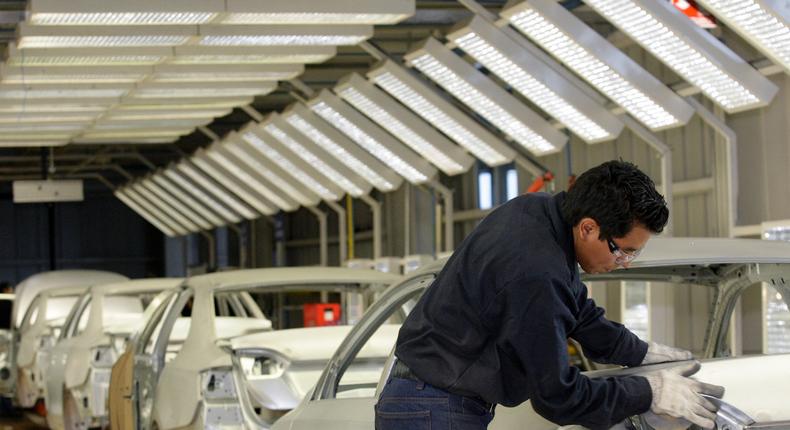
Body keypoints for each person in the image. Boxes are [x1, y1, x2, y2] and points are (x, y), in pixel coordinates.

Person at [375, 160, 725, 430]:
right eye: (623, 252)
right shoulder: (535, 272)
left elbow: (576, 308)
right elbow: (558, 397)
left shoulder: (537, 212)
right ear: (588, 227)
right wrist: (650, 393)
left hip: (427, 399)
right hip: (434, 410)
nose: (625, 264)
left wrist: (639, 352)